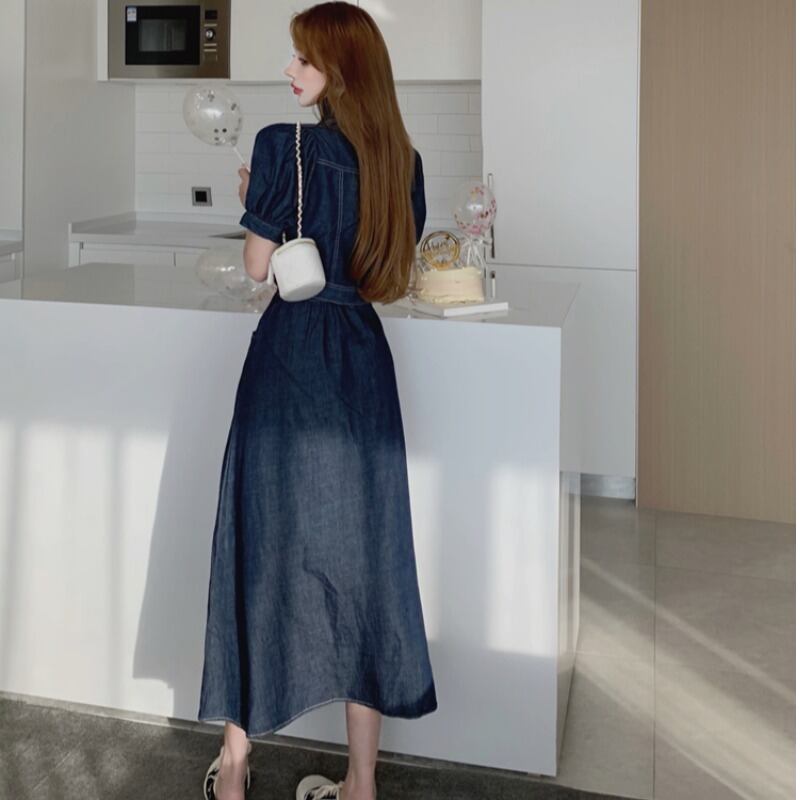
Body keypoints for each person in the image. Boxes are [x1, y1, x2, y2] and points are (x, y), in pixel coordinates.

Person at [196, 3, 438, 799]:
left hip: (290, 358)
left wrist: (255, 198)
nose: (290, 70)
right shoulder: (403, 161)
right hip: (362, 364)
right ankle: (361, 782)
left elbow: (258, 267)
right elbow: (385, 274)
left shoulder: (282, 146)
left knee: (261, 546)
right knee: (367, 560)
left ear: (340, 70)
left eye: (302, 58)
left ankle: (236, 769)